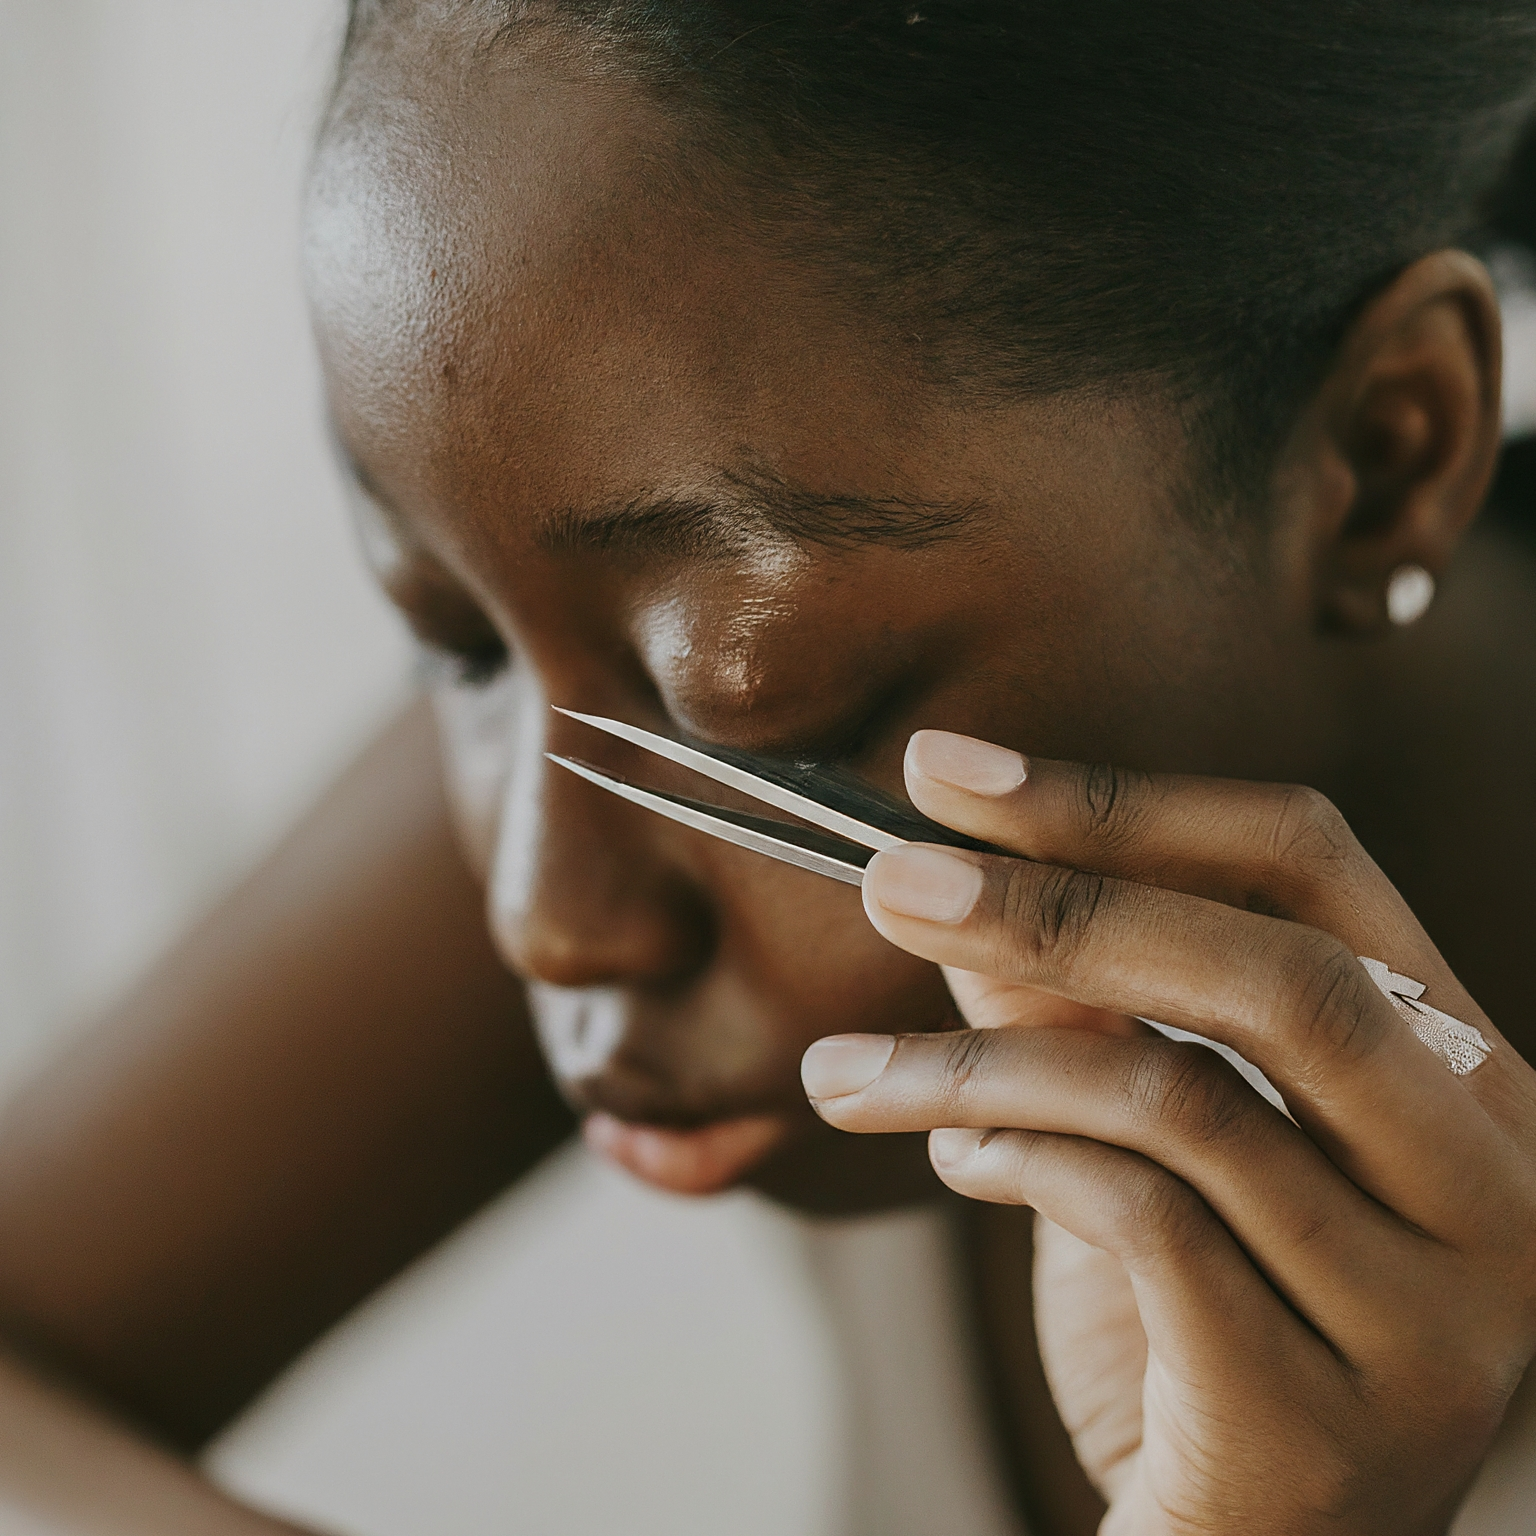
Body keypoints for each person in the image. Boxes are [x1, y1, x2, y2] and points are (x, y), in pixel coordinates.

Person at [1, 2, 1535, 1531]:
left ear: (1382, 457)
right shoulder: (604, 716)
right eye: (448, 639)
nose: (546, 920)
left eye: (759, 704)